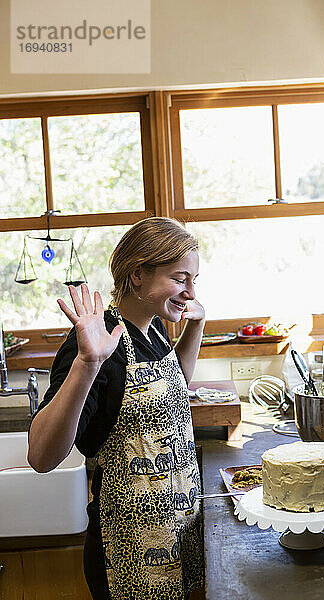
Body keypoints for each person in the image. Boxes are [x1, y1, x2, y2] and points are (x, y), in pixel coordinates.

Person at [28, 217, 205, 600]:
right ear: (138, 273)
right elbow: (41, 456)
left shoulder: (152, 328)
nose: (190, 292)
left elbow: (174, 388)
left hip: (175, 528)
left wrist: (196, 327)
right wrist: (87, 364)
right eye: (180, 278)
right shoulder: (94, 344)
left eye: (194, 280)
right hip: (127, 548)